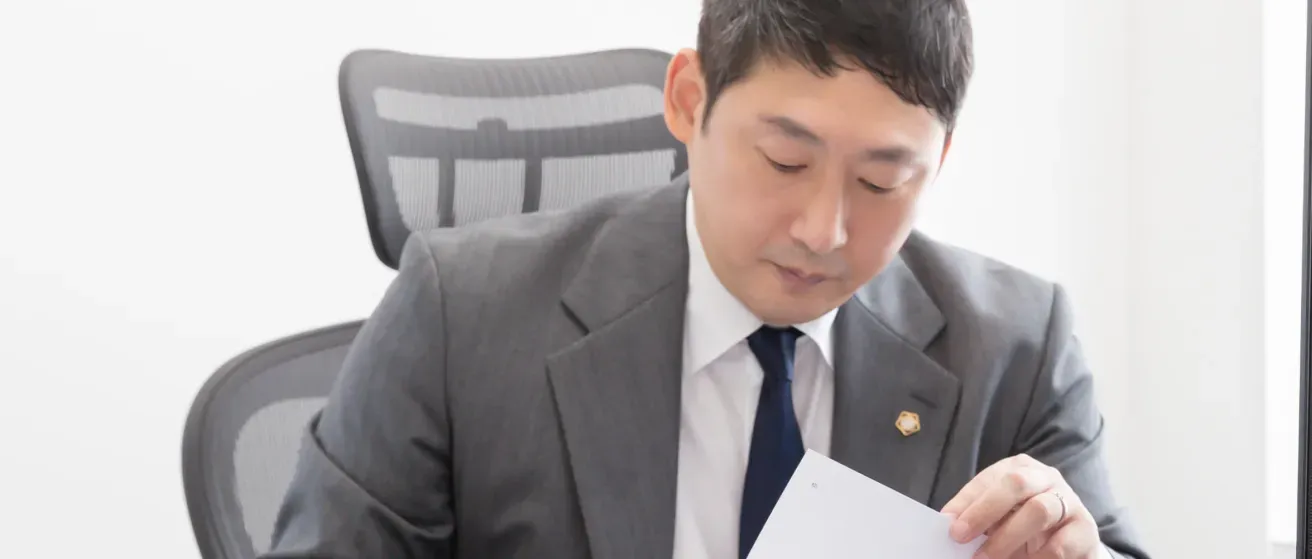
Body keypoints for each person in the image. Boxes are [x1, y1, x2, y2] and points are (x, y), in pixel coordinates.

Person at [264, 1, 1146, 558]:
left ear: (939, 161)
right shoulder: (461, 314)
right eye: (785, 160)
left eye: (882, 181)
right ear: (689, 100)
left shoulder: (1015, 347)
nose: (824, 231)